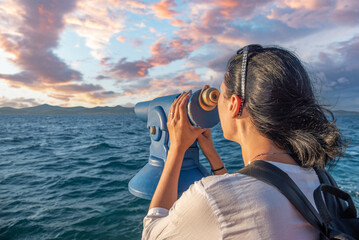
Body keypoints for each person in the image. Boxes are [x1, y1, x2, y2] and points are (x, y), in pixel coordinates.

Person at [142, 45, 345, 240]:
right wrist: (213, 157)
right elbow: (242, 200)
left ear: (235, 105)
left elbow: (152, 234)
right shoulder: (323, 181)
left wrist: (176, 149)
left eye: (221, 94)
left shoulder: (212, 198)